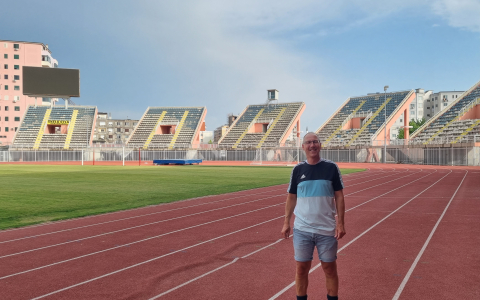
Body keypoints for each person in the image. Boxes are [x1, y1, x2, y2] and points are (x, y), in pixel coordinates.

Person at [281, 132, 346, 300]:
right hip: (302, 229)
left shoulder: (331, 168)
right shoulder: (297, 170)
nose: (312, 145)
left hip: (326, 229)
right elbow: (291, 197)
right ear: (303, 147)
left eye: (315, 142)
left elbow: (339, 196)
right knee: (301, 269)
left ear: (320, 145)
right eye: (308, 142)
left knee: (329, 269)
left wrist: (340, 223)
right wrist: (286, 222)